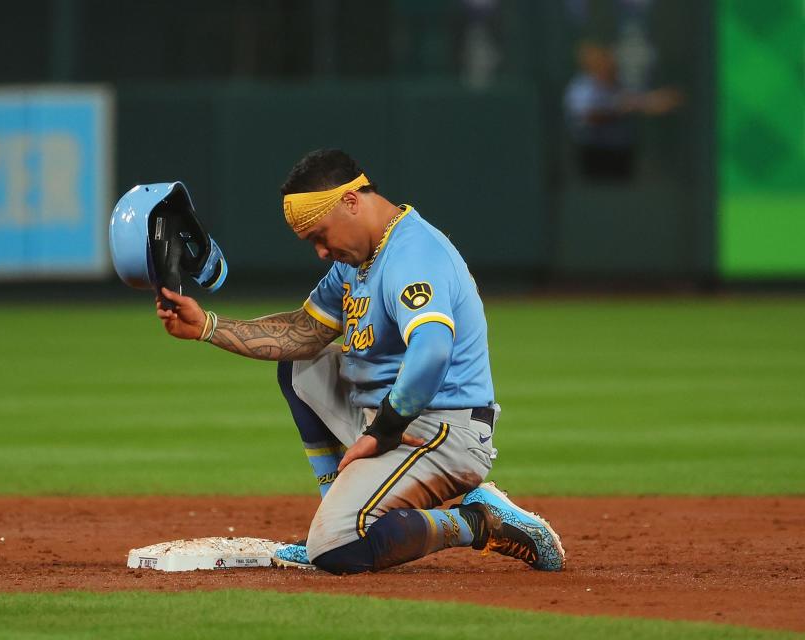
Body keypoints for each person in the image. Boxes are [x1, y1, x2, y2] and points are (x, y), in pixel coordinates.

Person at [155, 149, 565, 574]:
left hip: (441, 429)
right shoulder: (358, 261)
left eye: (320, 235)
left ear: (350, 202)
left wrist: (386, 428)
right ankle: (334, 511)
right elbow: (304, 333)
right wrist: (207, 325)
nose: (320, 251)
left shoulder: (412, 254)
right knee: (301, 367)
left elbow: (433, 349)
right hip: (391, 418)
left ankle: (478, 522)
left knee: (336, 550)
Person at [564, 41, 682, 181]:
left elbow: (637, 101)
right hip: (595, 156)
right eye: (601, 61)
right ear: (590, 65)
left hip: (622, 153)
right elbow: (590, 117)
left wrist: (658, 101)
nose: (609, 64)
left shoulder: (614, 83)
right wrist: (619, 109)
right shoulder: (580, 88)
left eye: (607, 59)